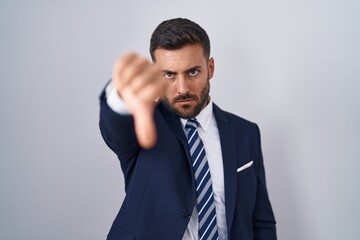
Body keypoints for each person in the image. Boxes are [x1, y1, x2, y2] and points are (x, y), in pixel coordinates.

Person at [99, 18, 277, 240]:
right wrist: (122, 95)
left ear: (210, 68)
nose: (182, 88)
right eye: (169, 74)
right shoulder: (142, 122)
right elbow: (115, 128)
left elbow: (260, 221)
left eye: (192, 72)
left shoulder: (246, 133)